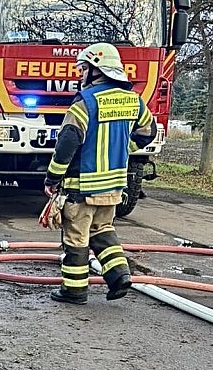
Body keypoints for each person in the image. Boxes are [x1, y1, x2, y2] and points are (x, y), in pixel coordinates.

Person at [44, 42, 157, 304]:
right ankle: (120, 275)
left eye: (83, 70)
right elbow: (148, 132)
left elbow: (67, 144)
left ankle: (74, 291)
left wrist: (52, 178)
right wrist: (124, 149)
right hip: (115, 186)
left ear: (97, 70)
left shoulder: (85, 104)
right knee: (103, 230)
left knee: (76, 237)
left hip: (82, 187)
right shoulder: (134, 101)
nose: (80, 76)